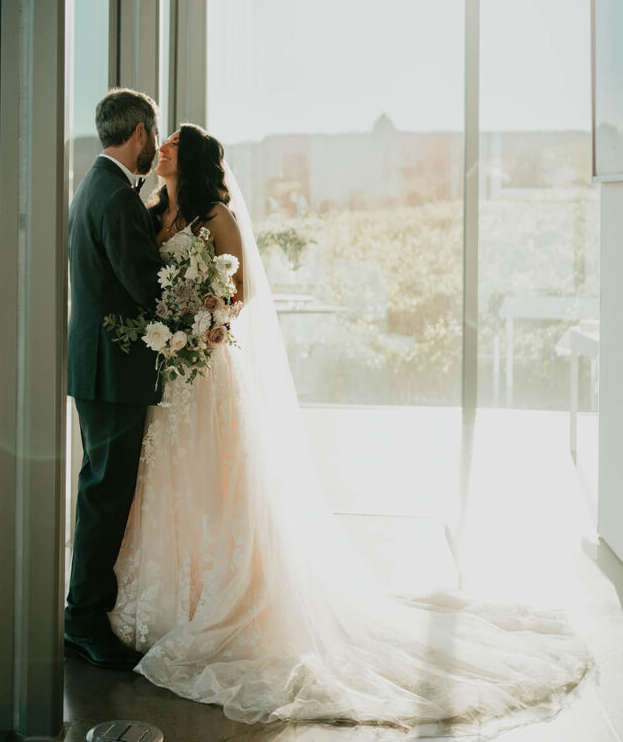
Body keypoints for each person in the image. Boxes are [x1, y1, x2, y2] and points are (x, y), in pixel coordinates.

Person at [109, 122, 593, 735]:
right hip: (169, 375)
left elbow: (244, 293)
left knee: (217, 487)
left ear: (194, 158)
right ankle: (170, 600)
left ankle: (218, 599)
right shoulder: (155, 212)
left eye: (175, 141)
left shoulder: (217, 217)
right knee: (172, 487)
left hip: (207, 370)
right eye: (163, 141)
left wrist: (207, 320)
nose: (165, 147)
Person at [65, 88, 163, 670]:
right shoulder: (118, 197)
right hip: (113, 371)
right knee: (106, 495)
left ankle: (84, 610)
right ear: (141, 134)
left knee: (98, 490)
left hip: (95, 366)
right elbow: (144, 287)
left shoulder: (92, 186)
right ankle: (83, 620)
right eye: (152, 136)